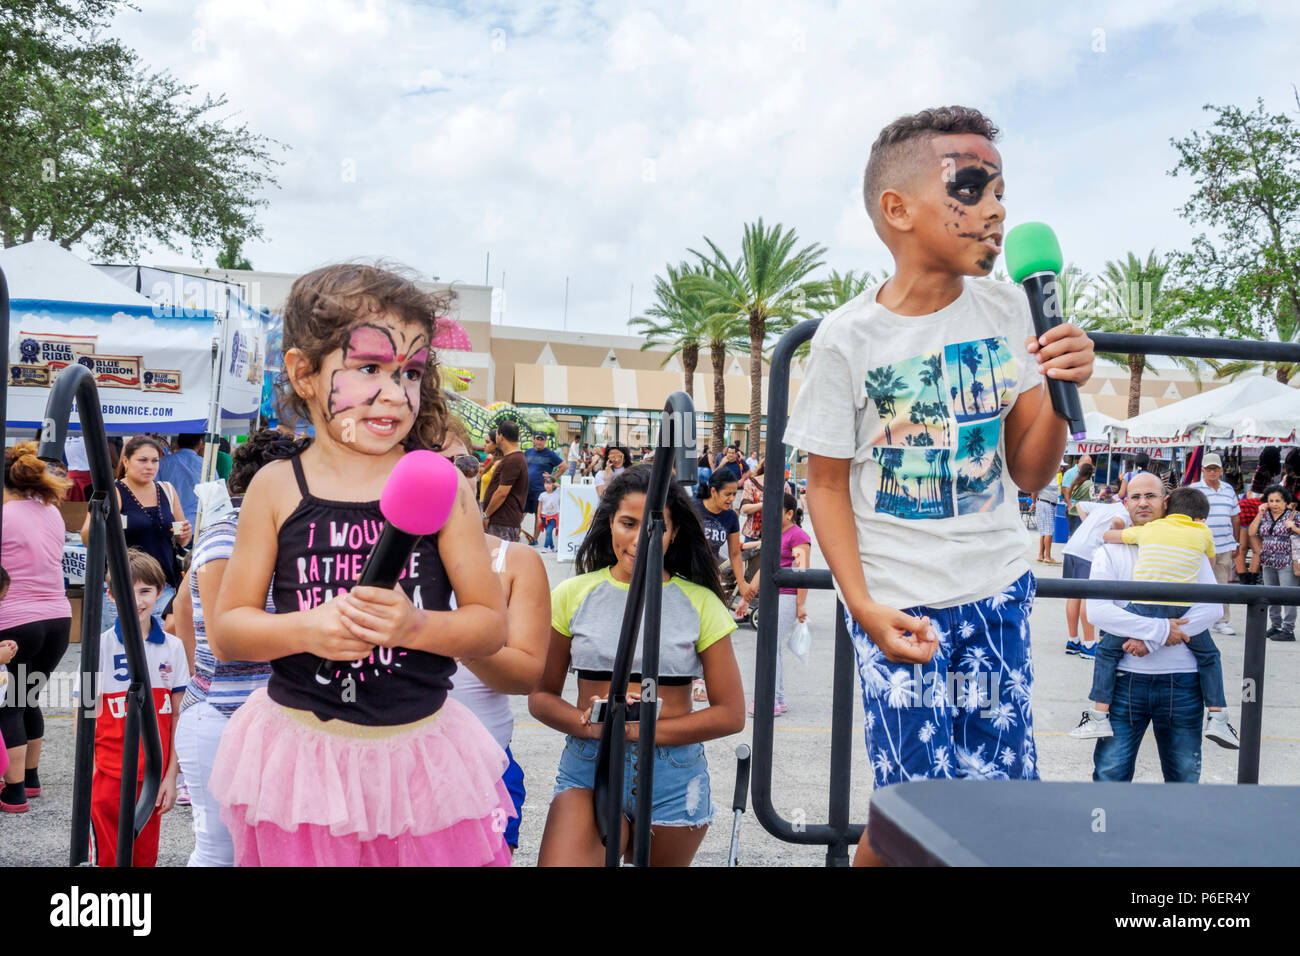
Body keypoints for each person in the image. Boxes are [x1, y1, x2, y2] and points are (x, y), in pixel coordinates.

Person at [783, 106, 1095, 866]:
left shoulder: (1009, 310)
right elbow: (822, 483)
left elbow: (1028, 471)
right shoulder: (847, 339)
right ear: (898, 209)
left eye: (1002, 192)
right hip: (897, 603)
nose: (997, 210)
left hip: (996, 593)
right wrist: (861, 605)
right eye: (972, 186)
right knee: (913, 813)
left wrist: (1059, 386)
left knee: (998, 802)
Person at [207, 262, 512, 866]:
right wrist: (308, 628)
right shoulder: (276, 486)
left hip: (418, 759)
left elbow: (490, 624)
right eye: (369, 368)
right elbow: (228, 631)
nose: (396, 395)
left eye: (411, 373)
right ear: (304, 373)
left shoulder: (440, 486)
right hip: (302, 759)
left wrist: (415, 627)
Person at [530, 465, 745, 866]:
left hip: (673, 773)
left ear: (674, 532)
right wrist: (591, 725)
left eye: (655, 527)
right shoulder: (571, 595)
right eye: (628, 523)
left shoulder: (701, 603)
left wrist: (635, 730)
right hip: (590, 763)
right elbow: (541, 697)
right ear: (609, 522)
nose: (638, 538)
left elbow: (731, 715)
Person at [174, 429, 298, 866]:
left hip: (274, 714)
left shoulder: (287, 533)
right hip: (224, 715)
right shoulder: (228, 535)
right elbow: (223, 641)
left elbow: (181, 608)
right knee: (220, 850)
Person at [439, 421, 550, 853]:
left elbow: (524, 675)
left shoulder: (516, 562)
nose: (451, 476)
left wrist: (437, 631)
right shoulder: (373, 554)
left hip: (485, 761)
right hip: (391, 764)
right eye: (432, 462)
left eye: (463, 463)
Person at [1070, 486, 1237, 748]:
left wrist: (1151, 637)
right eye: (1136, 497)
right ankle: (1218, 716)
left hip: (1176, 671)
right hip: (1174, 620)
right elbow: (1098, 612)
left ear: (1166, 503)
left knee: (1105, 651)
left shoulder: (1147, 532)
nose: (1143, 502)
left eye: (1151, 496)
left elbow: (1212, 607)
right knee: (1210, 656)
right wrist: (1161, 632)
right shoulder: (1200, 536)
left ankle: (1098, 715)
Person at [79, 549, 190, 866]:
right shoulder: (97, 646)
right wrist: (86, 772)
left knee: (143, 859)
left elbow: (179, 715)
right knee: (107, 859)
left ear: (160, 592)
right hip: (106, 778)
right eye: (127, 591)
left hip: (152, 782)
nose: (137, 600)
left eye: (145, 591)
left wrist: (171, 777)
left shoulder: (173, 647)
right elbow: (84, 711)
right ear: (112, 595)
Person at [0, 444, 73, 812]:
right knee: (27, 697)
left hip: (15, 621)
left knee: (7, 707)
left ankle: (11, 793)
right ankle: (30, 779)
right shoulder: (51, 513)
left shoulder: (4, 515)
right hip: (58, 619)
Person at [82, 436, 193, 634]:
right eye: (142, 460)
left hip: (162, 586)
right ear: (126, 462)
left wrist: (184, 534)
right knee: (122, 651)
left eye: (155, 460)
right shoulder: (113, 492)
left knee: (159, 653)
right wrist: (104, 524)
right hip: (123, 586)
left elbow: (181, 538)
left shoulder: (167, 490)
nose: (150, 466)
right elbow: (86, 538)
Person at [739, 493, 811, 717]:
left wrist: (800, 605)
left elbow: (802, 573)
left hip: (787, 596)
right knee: (771, 645)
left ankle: (768, 698)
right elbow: (765, 569)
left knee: (769, 644)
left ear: (789, 514)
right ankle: (776, 698)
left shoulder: (798, 536)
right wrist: (746, 599)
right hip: (772, 597)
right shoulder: (773, 535)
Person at [1060, 494, 1129, 656]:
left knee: (1074, 595)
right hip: (1089, 553)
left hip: (1072, 548)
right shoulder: (1125, 512)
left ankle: (1073, 640)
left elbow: (1080, 506)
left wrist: (1088, 524)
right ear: (1128, 502)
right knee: (1087, 597)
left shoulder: (1106, 506)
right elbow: (1118, 522)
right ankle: (1089, 644)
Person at [1190, 452, 1241, 636]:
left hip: (1224, 544)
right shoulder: (1195, 489)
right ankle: (1197, 620)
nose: (1212, 472)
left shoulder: (1228, 489)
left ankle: (1222, 620)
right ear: (1202, 470)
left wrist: (1236, 542)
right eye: (1208, 469)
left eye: (1215, 469)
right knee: (1198, 583)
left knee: (1222, 584)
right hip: (1200, 546)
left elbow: (1236, 517)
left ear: (1220, 470)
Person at [695, 470, 756, 614]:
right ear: (714, 491)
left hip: (711, 578)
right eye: (727, 494)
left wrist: (741, 583)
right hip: (687, 577)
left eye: (734, 494)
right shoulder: (693, 509)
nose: (732, 499)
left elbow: (734, 553)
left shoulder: (731, 517)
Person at [1248, 484, 1298, 641]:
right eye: (1271, 500)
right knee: (1271, 595)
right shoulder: (1265, 516)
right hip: (1268, 561)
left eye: (1278, 501)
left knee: (1287, 596)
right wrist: (1259, 513)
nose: (1274, 504)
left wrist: (1294, 528)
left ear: (1285, 502)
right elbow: (1251, 532)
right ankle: (1275, 625)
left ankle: (1288, 629)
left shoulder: (1294, 516)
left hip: (1287, 562)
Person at [483, 419, 528, 541]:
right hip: (502, 521)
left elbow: (502, 492)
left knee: (498, 558)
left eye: (496, 434)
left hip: (503, 522)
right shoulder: (512, 458)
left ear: (501, 437)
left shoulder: (513, 460)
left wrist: (486, 515)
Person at [524, 432, 565, 546]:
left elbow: (563, 466)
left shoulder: (550, 454)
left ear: (545, 441)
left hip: (540, 489)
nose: (539, 442)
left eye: (542, 440)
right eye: (537, 439)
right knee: (521, 512)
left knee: (538, 515)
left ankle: (534, 538)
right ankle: (516, 534)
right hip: (526, 488)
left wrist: (552, 478)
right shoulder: (528, 452)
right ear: (534, 440)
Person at [157, 432, 205, 524]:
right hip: (197, 523)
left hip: (168, 522)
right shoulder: (206, 465)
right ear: (200, 444)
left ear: (177, 443)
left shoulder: (162, 463)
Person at [1235, 468, 1269, 584]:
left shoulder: (1249, 493)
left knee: (1243, 550)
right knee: (1254, 551)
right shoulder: (1265, 494)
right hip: (1253, 523)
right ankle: (1250, 579)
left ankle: (1246, 580)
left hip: (1246, 523)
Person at [739, 460, 766, 542]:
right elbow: (745, 508)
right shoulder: (751, 483)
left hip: (777, 536)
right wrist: (765, 504)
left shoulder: (784, 485)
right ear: (765, 465)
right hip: (753, 536)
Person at [1065, 461, 1095, 537]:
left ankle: (1069, 548)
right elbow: (1093, 499)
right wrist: (1101, 494)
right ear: (1090, 473)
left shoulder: (1076, 482)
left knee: (1071, 534)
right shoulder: (1089, 484)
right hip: (1082, 511)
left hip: (1073, 510)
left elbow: (1069, 494)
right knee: (1080, 535)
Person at [1035, 478, 1059, 564]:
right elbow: (1035, 490)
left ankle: (1041, 555)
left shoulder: (1053, 476)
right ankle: (1047, 557)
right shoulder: (1047, 476)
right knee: (1049, 531)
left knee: (1044, 531)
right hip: (1046, 503)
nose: (1061, 469)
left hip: (1044, 503)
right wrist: (1034, 502)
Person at [478, 428, 501, 508]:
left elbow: (500, 493)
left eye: (487, 442)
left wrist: (487, 513)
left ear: (496, 444)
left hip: (488, 507)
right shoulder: (492, 460)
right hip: (483, 504)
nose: (484, 445)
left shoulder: (498, 464)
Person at [538, 474, 561, 552]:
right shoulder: (542, 495)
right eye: (546, 483)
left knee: (548, 532)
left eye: (549, 483)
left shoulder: (558, 493)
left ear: (553, 485)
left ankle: (545, 547)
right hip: (544, 517)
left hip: (553, 517)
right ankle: (553, 548)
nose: (547, 485)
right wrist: (538, 517)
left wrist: (556, 484)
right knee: (549, 533)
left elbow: (564, 488)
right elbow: (539, 507)